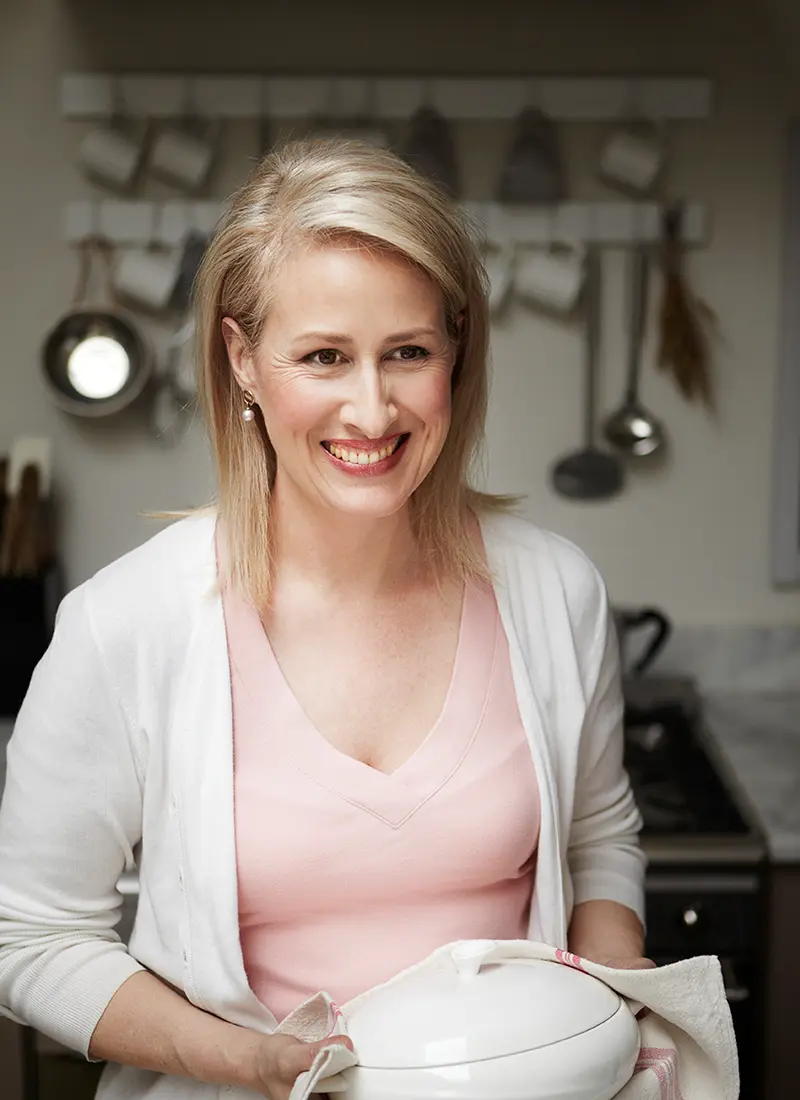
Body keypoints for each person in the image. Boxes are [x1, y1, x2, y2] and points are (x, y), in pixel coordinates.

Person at [0, 138, 649, 1100]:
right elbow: (32, 938)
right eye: (323, 357)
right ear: (243, 360)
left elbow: (599, 835)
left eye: (408, 353)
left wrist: (617, 1012)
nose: (371, 408)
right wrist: (245, 1061)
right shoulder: (127, 623)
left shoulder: (555, 591)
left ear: (456, 352)